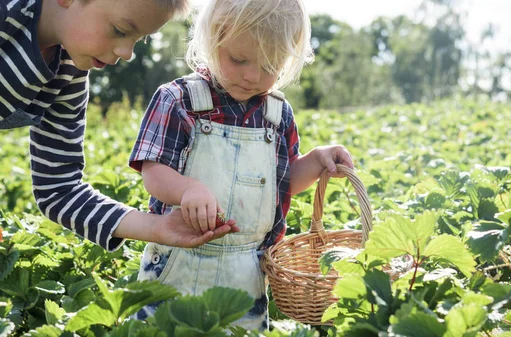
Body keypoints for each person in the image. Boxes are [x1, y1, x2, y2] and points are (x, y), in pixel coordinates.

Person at [128, 0, 354, 330]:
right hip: (178, 264)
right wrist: (187, 189)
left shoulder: (277, 115)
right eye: (238, 59)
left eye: (269, 66)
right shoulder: (179, 100)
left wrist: (317, 161)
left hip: (246, 273)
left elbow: (281, 183)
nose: (251, 76)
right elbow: (153, 172)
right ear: (212, 39)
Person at [0, 0, 238, 251]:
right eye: (121, 30)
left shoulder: (68, 72)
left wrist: (157, 227)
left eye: (139, 39)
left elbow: (59, 189)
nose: (127, 52)